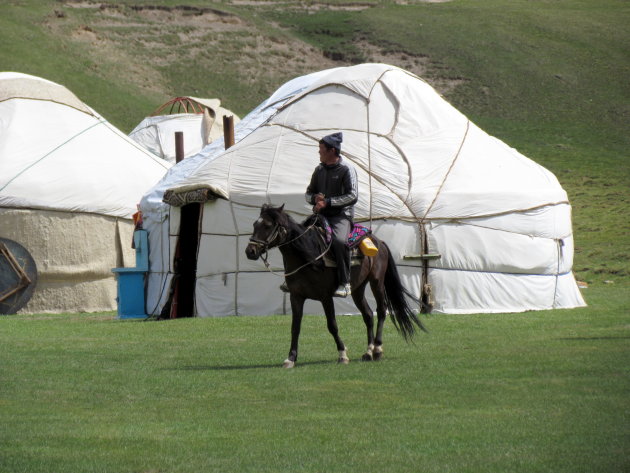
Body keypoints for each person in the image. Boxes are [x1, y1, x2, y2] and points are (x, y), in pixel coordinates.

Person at [305, 132, 358, 297]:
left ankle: (345, 282)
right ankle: (297, 278)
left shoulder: (346, 169)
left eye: (321, 149)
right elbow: (308, 193)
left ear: (332, 151)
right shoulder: (319, 170)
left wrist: (327, 202)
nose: (319, 152)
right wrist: (315, 199)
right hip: (321, 215)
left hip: (340, 216)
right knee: (299, 235)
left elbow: (353, 196)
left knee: (339, 241)